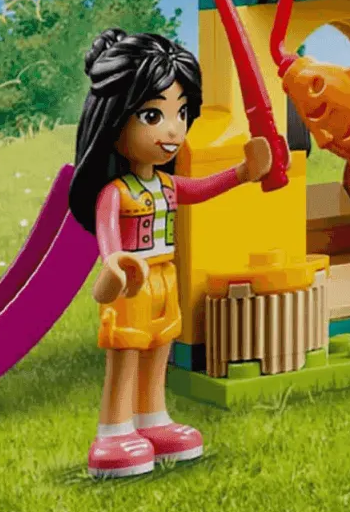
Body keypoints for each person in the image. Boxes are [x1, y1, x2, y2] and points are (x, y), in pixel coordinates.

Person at [66, 30, 271, 480]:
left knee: (159, 346)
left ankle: (152, 418)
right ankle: (113, 430)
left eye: (181, 113)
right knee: (126, 351)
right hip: (133, 282)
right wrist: (114, 262)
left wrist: (243, 172)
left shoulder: (165, 185)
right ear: (113, 119)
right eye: (153, 115)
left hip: (165, 278)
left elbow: (201, 188)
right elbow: (108, 236)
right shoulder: (116, 192)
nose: (173, 129)